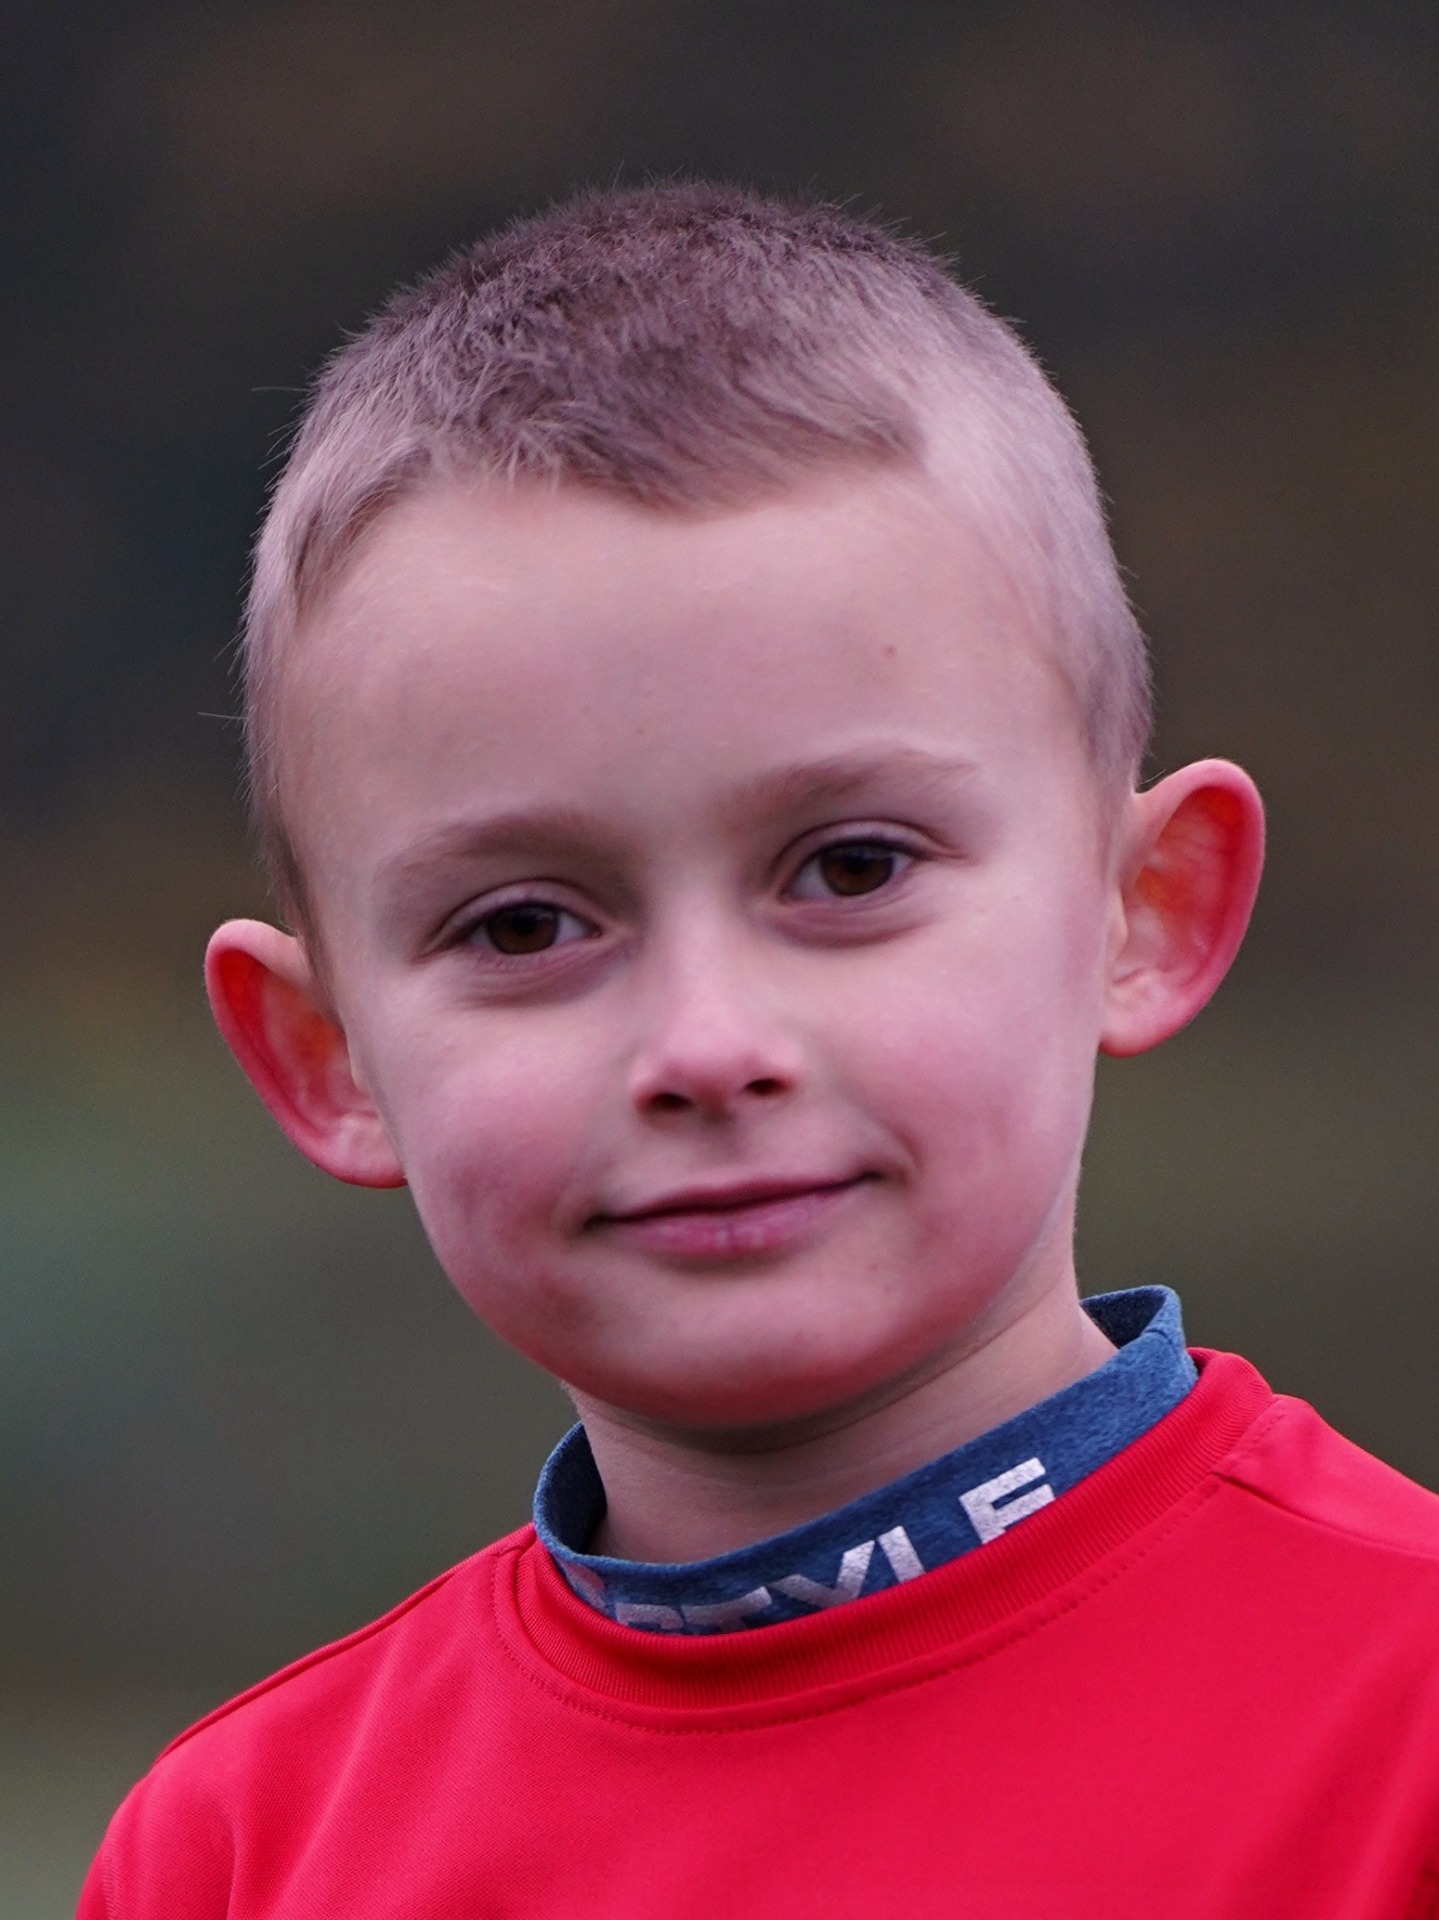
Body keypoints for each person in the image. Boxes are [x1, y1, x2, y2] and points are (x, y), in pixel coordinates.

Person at [81, 184, 1439, 1918]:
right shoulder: (237, 1856)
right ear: (325, 1055)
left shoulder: (1404, 1718)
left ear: (1144, 909)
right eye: (524, 926)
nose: (707, 1046)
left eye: (851, 870)